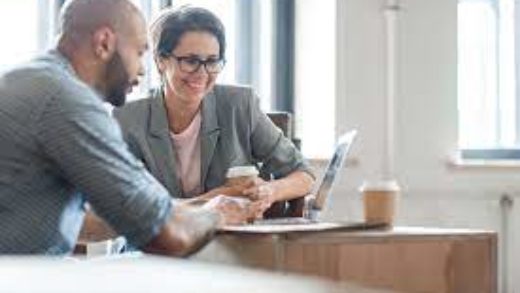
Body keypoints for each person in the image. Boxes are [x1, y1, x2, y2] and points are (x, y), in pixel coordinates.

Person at [0, 0, 248, 255]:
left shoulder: (30, 80)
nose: (141, 70)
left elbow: (82, 223)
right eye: (139, 52)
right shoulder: (66, 100)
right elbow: (168, 237)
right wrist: (217, 214)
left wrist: (192, 207)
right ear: (104, 42)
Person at [113, 6, 315, 219]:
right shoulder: (128, 120)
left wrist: (269, 191)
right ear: (161, 61)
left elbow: (304, 174)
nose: (202, 73)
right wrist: (215, 199)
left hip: (232, 242)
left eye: (212, 61)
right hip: (155, 245)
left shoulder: (239, 105)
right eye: (190, 61)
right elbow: (133, 209)